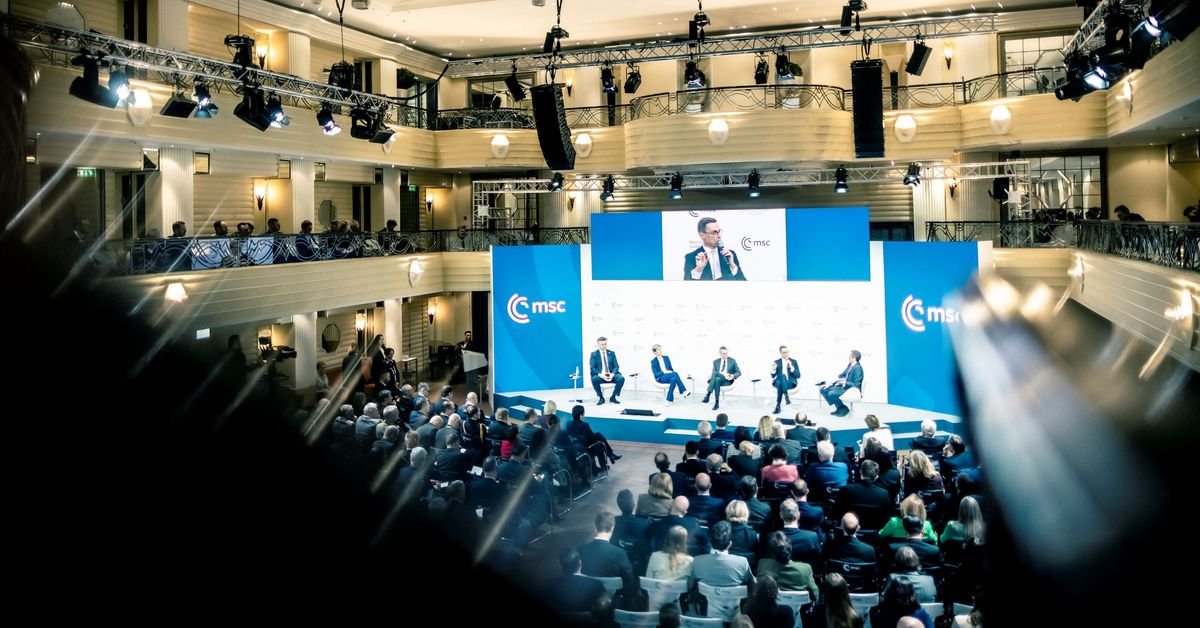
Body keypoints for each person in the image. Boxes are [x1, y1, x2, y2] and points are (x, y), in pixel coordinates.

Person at [820, 350, 864, 417]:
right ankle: (841, 408)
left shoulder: (858, 368)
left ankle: (842, 409)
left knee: (831, 393)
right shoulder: (850, 365)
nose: (848, 357)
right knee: (823, 389)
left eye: (850, 356)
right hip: (844, 386)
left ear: (854, 358)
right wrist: (834, 381)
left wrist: (845, 382)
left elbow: (856, 385)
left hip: (850, 390)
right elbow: (843, 375)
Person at [589, 336, 624, 405]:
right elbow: (592, 368)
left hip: (611, 375)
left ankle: (613, 397)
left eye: (605, 344)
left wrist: (612, 374)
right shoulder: (594, 354)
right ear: (598, 345)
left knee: (621, 378)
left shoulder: (612, 353)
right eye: (602, 344)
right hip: (601, 376)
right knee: (594, 379)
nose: (604, 346)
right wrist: (601, 375)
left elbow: (616, 366)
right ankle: (601, 397)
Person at [703, 346, 741, 410]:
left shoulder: (732, 361)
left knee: (715, 373)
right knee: (717, 379)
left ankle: (708, 394)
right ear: (720, 354)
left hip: (727, 380)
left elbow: (739, 372)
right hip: (718, 380)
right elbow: (713, 374)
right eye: (723, 353)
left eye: (726, 353)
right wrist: (721, 375)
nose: (725, 355)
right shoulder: (715, 362)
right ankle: (717, 403)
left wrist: (732, 376)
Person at [771, 345, 800, 415]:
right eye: (784, 352)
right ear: (780, 353)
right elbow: (773, 376)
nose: (786, 354)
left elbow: (798, 375)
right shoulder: (776, 362)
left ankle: (778, 406)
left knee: (780, 383)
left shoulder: (793, 361)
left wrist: (791, 367)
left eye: (787, 352)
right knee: (781, 377)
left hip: (790, 382)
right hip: (778, 382)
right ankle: (786, 397)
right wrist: (773, 370)